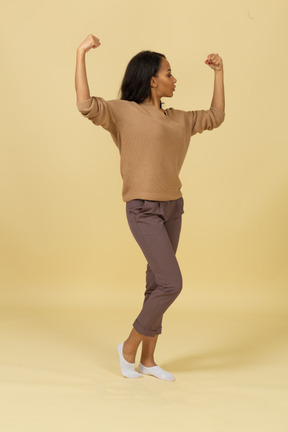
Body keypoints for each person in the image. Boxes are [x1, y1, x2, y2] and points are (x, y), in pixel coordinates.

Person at [75, 34, 225, 381]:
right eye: (169, 73)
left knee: (156, 284)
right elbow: (85, 105)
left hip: (173, 207)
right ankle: (128, 346)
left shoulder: (180, 119)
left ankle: (149, 361)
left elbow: (217, 115)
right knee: (171, 283)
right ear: (151, 79)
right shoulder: (123, 112)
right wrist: (81, 53)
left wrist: (220, 72)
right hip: (142, 209)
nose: (175, 79)